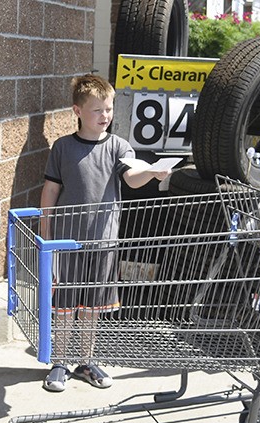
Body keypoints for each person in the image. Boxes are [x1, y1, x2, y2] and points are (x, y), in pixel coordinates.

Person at [39, 74, 170, 392]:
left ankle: (86, 360)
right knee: (65, 307)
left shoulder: (118, 146)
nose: (105, 116)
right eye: (97, 110)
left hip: (104, 241)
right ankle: (60, 361)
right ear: (78, 111)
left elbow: (132, 177)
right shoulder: (63, 148)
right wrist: (46, 231)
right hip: (68, 241)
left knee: (92, 309)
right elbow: (51, 190)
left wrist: (152, 171)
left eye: (108, 109)